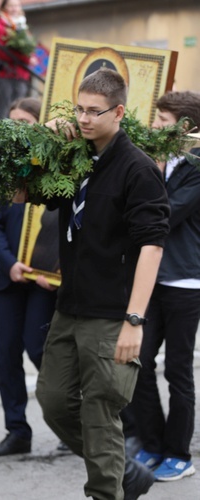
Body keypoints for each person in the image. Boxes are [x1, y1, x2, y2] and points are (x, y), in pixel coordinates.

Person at [35, 68, 168, 500]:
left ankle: (107, 491)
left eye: (95, 111)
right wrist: (44, 139)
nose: (85, 118)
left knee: (100, 409)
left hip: (112, 312)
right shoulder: (75, 157)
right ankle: (125, 472)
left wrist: (135, 319)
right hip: (69, 305)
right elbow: (23, 193)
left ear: (119, 112)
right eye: (79, 109)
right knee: (54, 401)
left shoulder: (138, 169)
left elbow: (152, 246)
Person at [127, 90, 200, 482]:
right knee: (138, 363)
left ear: (185, 127)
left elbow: (165, 215)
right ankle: (153, 445)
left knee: (178, 370)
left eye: (163, 122)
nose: (154, 127)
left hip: (187, 280)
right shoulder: (161, 161)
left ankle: (179, 453)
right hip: (151, 278)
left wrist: (152, 170)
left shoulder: (197, 163)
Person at [0, 97, 59, 457]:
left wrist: (56, 270)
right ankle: (17, 431)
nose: (16, 128)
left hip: (45, 283)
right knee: (7, 356)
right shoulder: (3, 169)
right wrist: (9, 262)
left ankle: (67, 419)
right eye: (11, 121)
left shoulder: (56, 167)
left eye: (24, 122)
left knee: (39, 348)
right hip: (8, 279)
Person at [0, 0, 34, 119]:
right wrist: (26, 59)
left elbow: (29, 48)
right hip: (3, 73)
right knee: (1, 112)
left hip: (20, 74)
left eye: (17, 6)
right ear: (4, 8)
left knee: (19, 110)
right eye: (11, 6)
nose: (14, 8)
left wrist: (30, 57)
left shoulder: (22, 25)